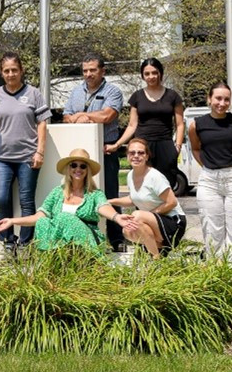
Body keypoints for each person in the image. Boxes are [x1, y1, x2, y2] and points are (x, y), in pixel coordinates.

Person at [0, 148, 122, 251]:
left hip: (87, 243)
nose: (78, 169)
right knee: (43, 222)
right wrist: (12, 221)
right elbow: (39, 216)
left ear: (87, 170)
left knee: (64, 218)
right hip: (60, 244)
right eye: (74, 165)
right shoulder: (57, 193)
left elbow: (103, 207)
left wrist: (117, 217)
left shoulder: (94, 194)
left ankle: (79, 260)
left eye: (83, 166)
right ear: (69, 169)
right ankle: (51, 259)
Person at [0, 52, 50, 249]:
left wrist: (40, 152)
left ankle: (25, 242)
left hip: (27, 157)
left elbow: (42, 124)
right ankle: (8, 241)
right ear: (1, 73)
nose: (11, 74)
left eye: (14, 70)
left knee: (26, 201)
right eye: (6, 71)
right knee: (0, 199)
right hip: (2, 157)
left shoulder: (33, 93)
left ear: (21, 71)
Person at [63, 54, 126, 251]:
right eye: (85, 70)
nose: (88, 74)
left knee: (109, 194)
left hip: (105, 149)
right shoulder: (75, 92)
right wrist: (77, 118)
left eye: (93, 70)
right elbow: (65, 116)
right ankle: (86, 237)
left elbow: (108, 115)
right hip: (81, 153)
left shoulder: (113, 91)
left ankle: (116, 239)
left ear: (102, 71)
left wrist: (82, 116)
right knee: (81, 194)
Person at [187, 82, 232, 259]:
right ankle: (216, 272)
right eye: (218, 98)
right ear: (209, 99)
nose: (222, 103)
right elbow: (196, 149)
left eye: (226, 99)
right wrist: (208, 166)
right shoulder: (196, 124)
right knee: (212, 229)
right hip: (209, 180)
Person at [111, 58, 185, 189]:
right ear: (142, 76)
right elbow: (132, 126)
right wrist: (117, 144)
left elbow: (180, 125)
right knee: (142, 187)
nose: (151, 77)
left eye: (154, 72)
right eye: (147, 74)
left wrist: (177, 148)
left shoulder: (172, 96)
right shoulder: (137, 97)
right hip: (142, 146)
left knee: (165, 187)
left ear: (160, 73)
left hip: (165, 146)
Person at [108, 138, 187, 257]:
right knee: (127, 230)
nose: (136, 156)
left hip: (174, 221)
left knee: (137, 216)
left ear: (147, 156)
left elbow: (172, 202)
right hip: (155, 220)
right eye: (132, 152)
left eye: (140, 153)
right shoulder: (130, 175)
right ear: (127, 155)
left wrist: (150, 214)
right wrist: (109, 201)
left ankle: (156, 259)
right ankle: (157, 250)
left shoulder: (154, 176)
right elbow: (133, 198)